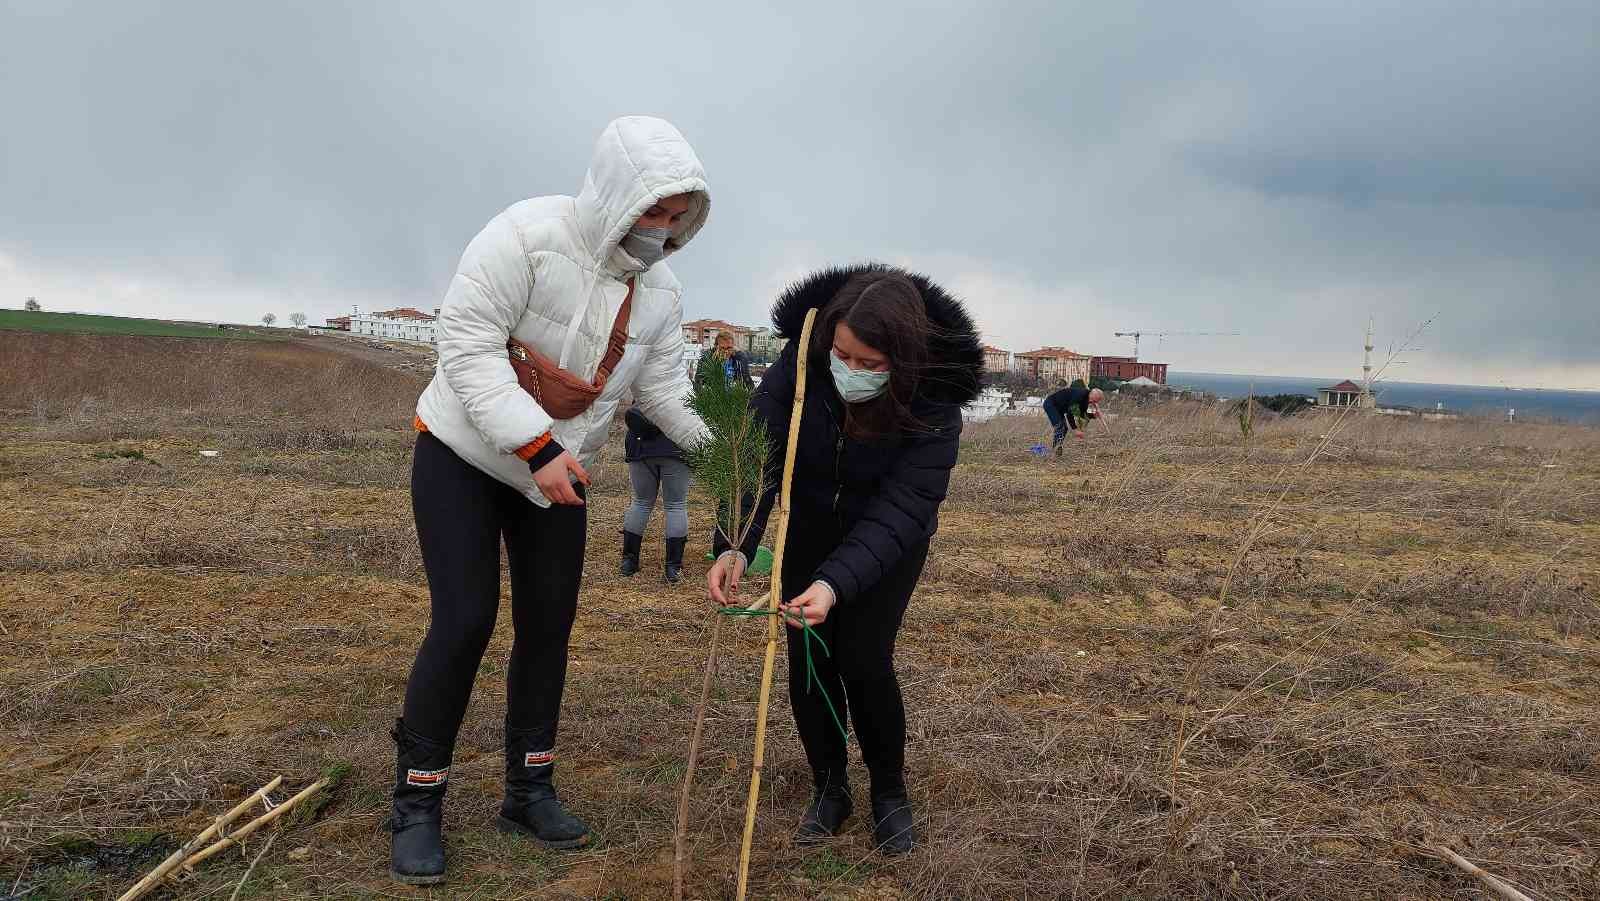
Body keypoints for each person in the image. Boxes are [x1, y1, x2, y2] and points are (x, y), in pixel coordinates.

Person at [392, 116, 711, 885]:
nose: (661, 232)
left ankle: (528, 789)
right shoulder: (525, 236)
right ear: (615, 196)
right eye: (652, 213)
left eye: (677, 219)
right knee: (465, 619)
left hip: (557, 479)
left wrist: (725, 452)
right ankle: (416, 802)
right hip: (465, 455)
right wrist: (536, 448)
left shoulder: (660, 293)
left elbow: (664, 390)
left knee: (549, 630)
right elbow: (465, 340)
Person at [706, 263, 983, 855]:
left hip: (886, 542)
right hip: (809, 527)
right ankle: (830, 788)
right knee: (810, 655)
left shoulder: (934, 397)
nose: (850, 372)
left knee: (863, 656)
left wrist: (835, 584)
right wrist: (736, 541)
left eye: (869, 364)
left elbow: (905, 506)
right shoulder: (802, 358)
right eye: (843, 356)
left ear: (902, 361)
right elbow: (757, 455)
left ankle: (888, 792)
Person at [619, 405, 691, 583]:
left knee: (641, 503)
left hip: (640, 444)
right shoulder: (679, 384)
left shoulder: (643, 379)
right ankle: (673, 568)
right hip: (675, 446)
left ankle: (629, 562)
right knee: (675, 505)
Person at [1042, 382, 1102, 454]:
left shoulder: (1086, 400)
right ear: (1091, 394)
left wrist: (1094, 415)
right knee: (1060, 426)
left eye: (1094, 402)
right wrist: (1075, 429)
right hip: (1051, 404)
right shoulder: (1079, 395)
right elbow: (1070, 414)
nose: (1092, 403)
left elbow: (1081, 414)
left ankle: (1057, 448)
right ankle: (1056, 449)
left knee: (1064, 428)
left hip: (1060, 409)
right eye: (1093, 400)